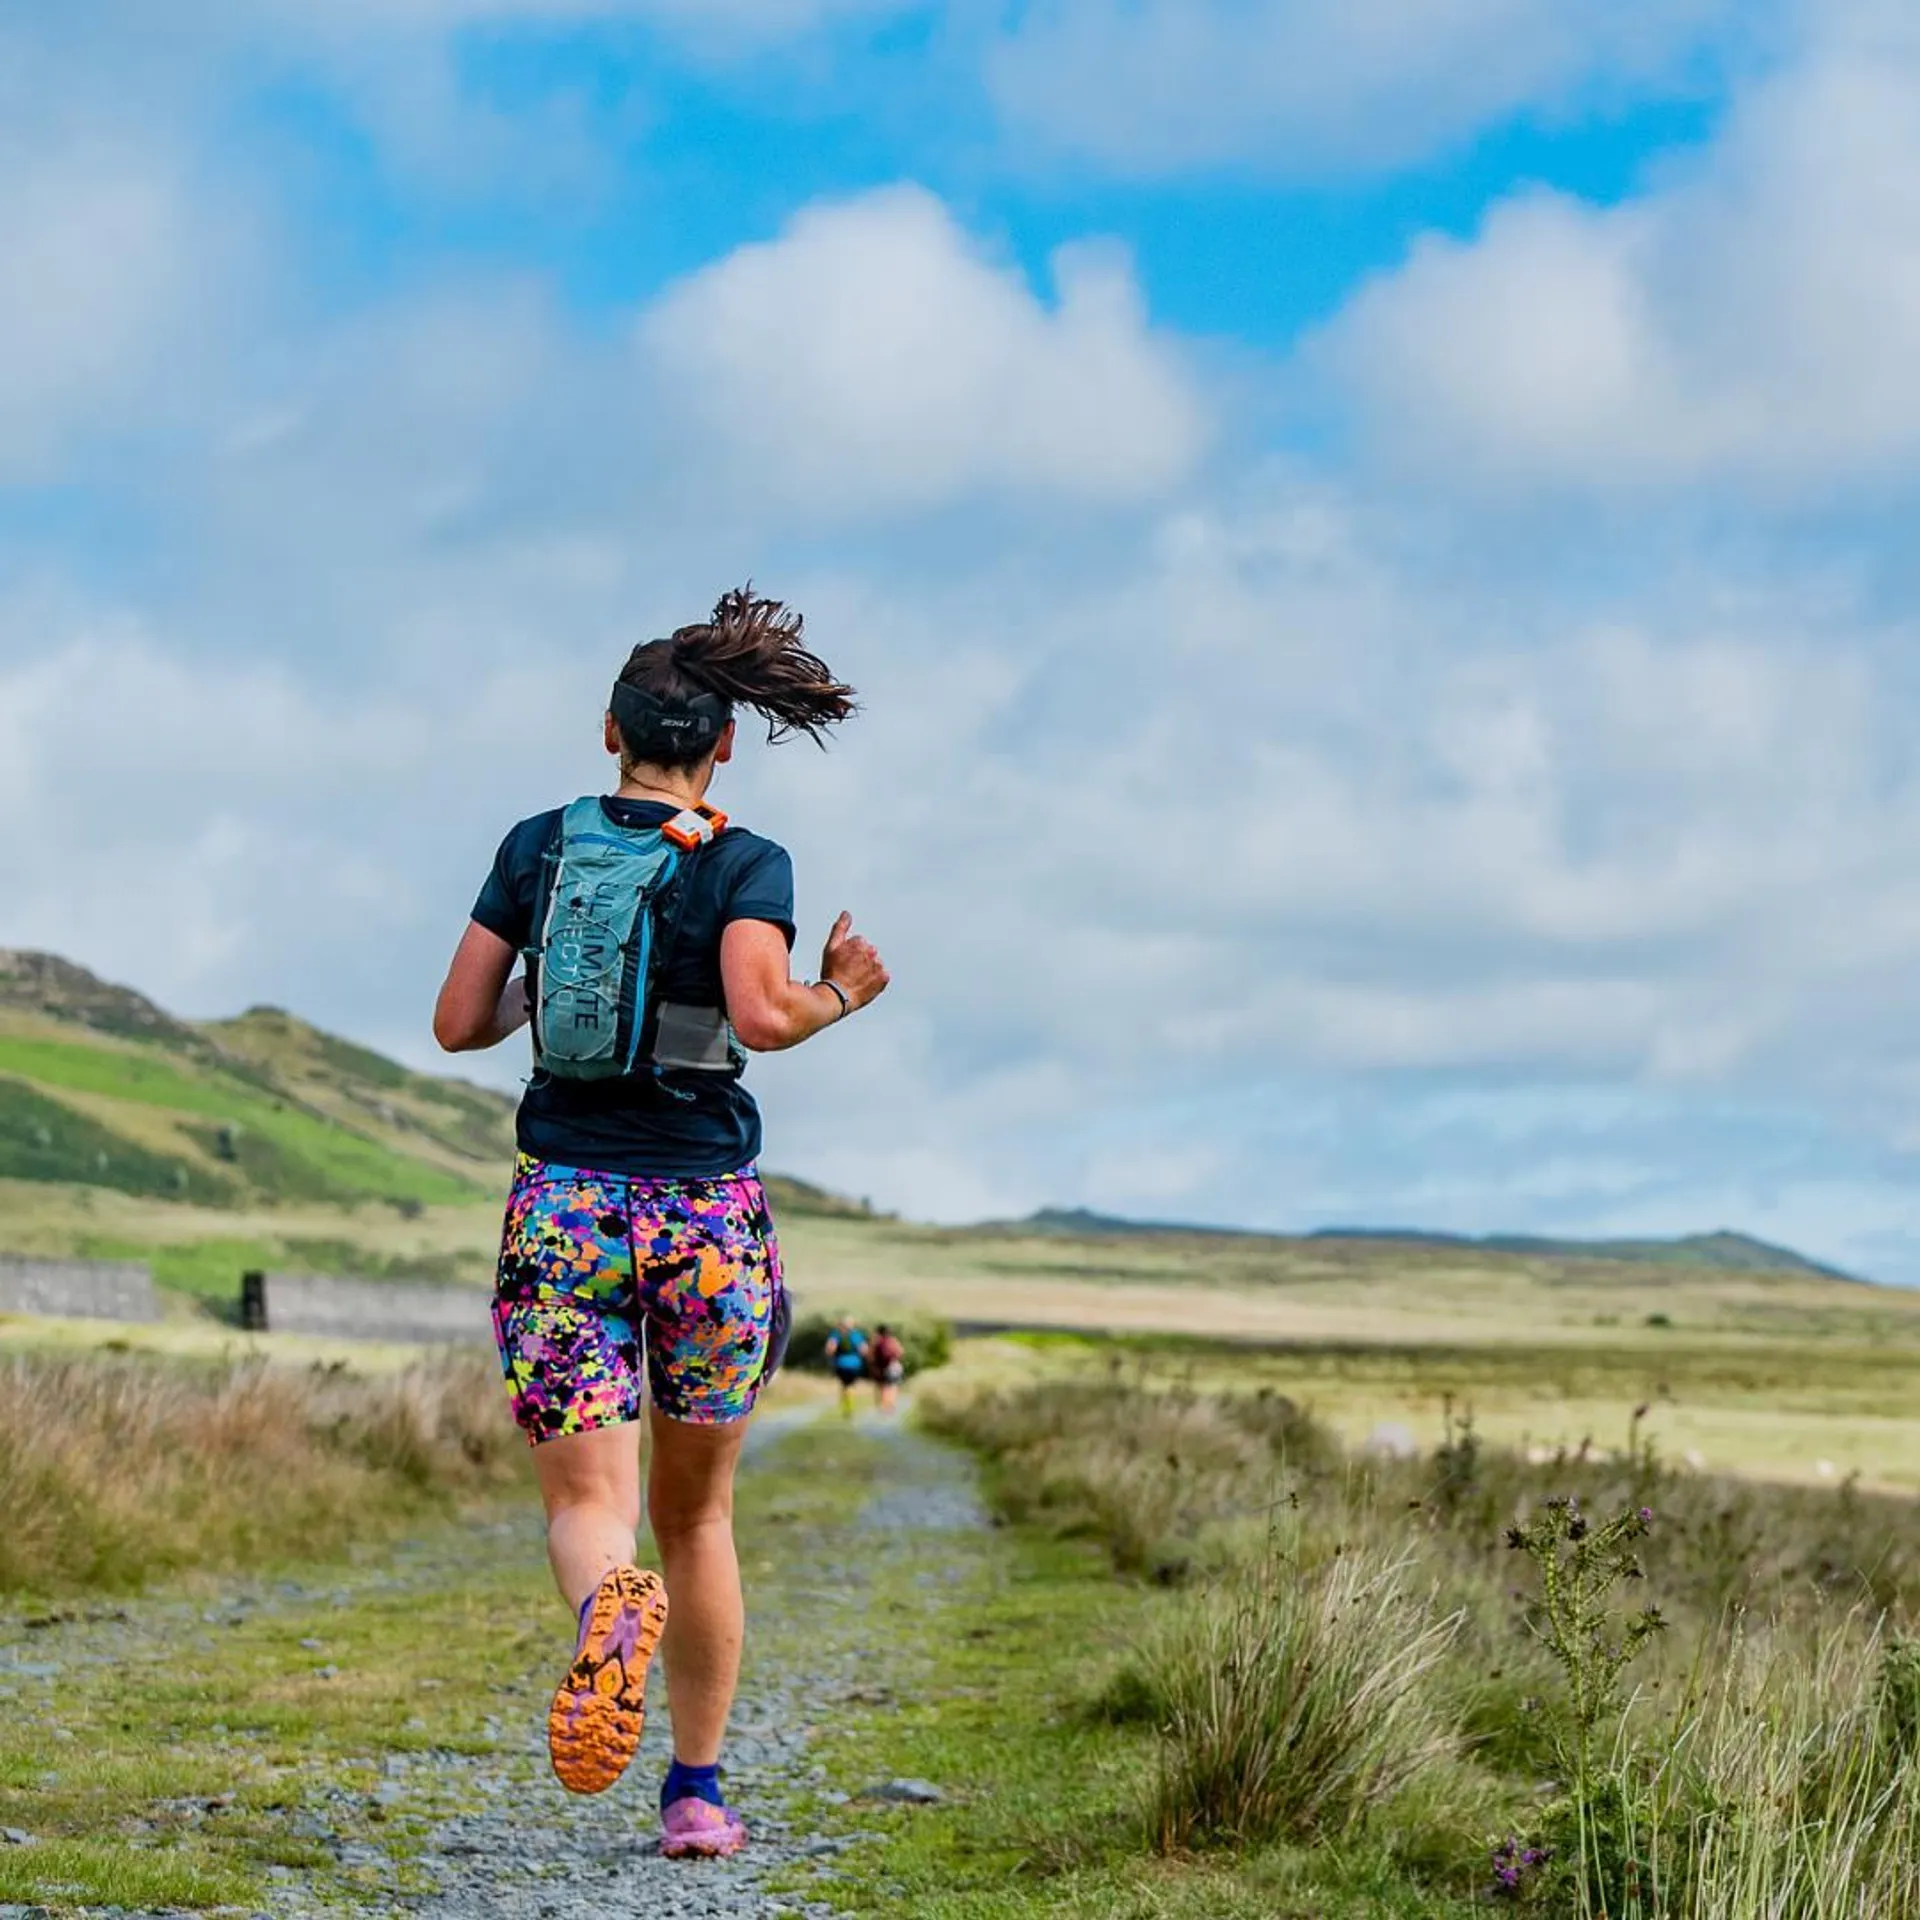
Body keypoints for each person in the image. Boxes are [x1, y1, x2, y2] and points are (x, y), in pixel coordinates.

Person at [431, 586, 889, 1861]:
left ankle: (603, 1611)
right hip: (706, 1218)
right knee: (698, 1518)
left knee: (592, 1501)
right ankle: (696, 1793)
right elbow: (761, 1015)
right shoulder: (749, 860)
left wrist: (557, 977)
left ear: (609, 730)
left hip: (565, 1206)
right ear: (725, 743)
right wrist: (841, 992)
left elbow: (457, 1024)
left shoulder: (538, 847)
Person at [824, 1315, 870, 1416]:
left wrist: (833, 1356)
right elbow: (864, 1350)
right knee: (851, 1386)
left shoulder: (836, 1335)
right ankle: (850, 1406)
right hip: (855, 1364)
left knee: (844, 1385)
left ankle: (846, 1405)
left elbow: (830, 1349)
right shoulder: (856, 1335)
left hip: (841, 1364)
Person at [870, 1324, 906, 1414]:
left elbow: (871, 1356)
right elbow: (901, 1352)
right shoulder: (893, 1340)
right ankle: (891, 1405)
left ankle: (885, 1407)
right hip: (895, 1366)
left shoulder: (877, 1342)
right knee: (893, 1386)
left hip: (882, 1367)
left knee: (884, 1386)